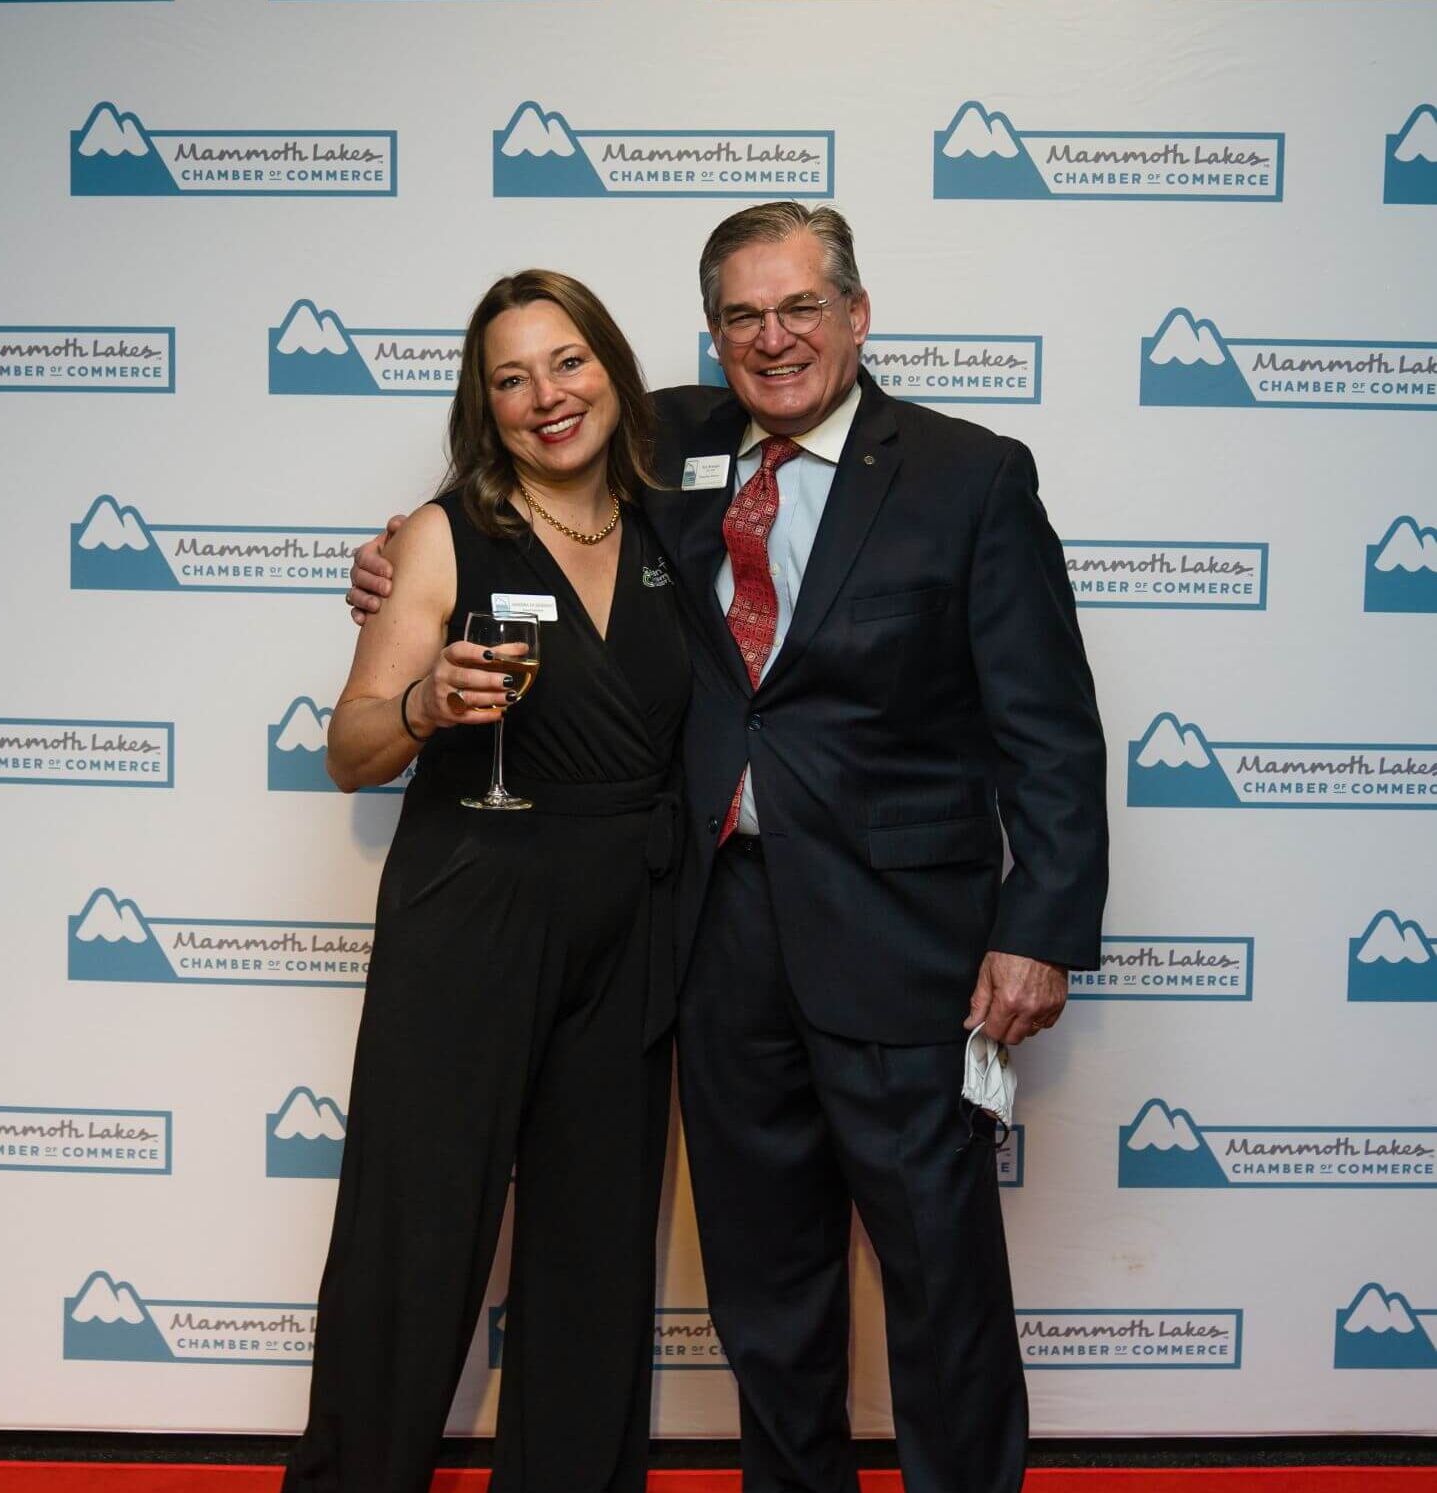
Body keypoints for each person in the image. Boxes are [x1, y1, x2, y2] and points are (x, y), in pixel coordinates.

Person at [349, 204, 1109, 1493]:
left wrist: (1037, 927)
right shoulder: (673, 445)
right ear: (710, 338)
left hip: (902, 938)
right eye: (743, 317)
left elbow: (1051, 731)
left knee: (939, 1275)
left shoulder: (968, 474)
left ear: (856, 316)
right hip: (716, 933)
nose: (774, 339)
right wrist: (402, 554)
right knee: (766, 1288)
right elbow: (526, 465)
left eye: (800, 306)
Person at [285, 270, 689, 1493]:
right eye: (510, 378)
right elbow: (349, 751)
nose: (545, 397)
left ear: (613, 369)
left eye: (567, 362)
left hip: (635, 919)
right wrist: (419, 702)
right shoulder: (442, 532)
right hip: (473, 901)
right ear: (484, 403)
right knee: (416, 1230)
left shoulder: (679, 518)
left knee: (597, 1248)